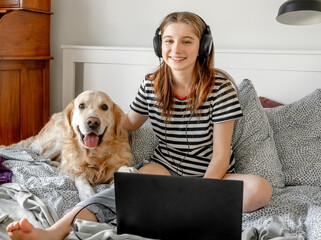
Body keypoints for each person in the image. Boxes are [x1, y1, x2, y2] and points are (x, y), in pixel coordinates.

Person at [6, 11, 272, 240]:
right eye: (168, 41)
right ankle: (54, 231)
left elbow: (221, 155)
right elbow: (129, 122)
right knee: (121, 189)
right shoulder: (151, 83)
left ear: (203, 46)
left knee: (261, 190)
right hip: (165, 168)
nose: (176, 49)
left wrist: (198, 195)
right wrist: (91, 116)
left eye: (187, 41)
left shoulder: (222, 88)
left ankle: (172, 206)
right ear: (159, 45)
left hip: (213, 175)